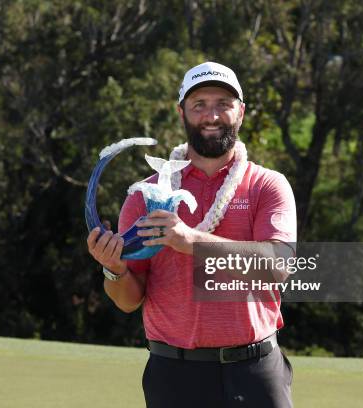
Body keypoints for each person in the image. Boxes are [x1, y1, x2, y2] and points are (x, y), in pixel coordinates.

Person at [86, 61, 296, 408]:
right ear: (181, 112)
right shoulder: (145, 195)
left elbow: (278, 266)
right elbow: (127, 300)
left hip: (254, 370)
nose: (211, 116)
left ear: (240, 112)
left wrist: (190, 242)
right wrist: (113, 268)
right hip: (174, 375)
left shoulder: (266, 185)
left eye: (223, 105)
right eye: (199, 105)